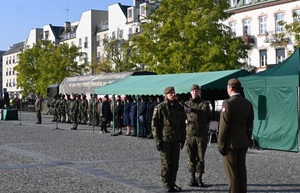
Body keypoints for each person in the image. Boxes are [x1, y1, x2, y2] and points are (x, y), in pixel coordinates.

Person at [217, 78, 254, 193]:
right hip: (243, 142)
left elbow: (224, 126)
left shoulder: (227, 103)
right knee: (241, 172)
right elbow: (249, 125)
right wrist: (248, 138)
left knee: (232, 174)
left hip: (230, 144)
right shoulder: (247, 103)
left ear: (230, 88)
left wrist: (220, 143)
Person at [152, 86, 186, 192]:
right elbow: (154, 125)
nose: (172, 95)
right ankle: (166, 183)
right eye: (170, 93)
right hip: (165, 139)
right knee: (166, 163)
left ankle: (173, 183)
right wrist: (157, 140)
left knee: (175, 163)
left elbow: (182, 124)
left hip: (176, 139)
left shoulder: (179, 107)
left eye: (173, 93)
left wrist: (183, 138)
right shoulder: (160, 107)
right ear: (166, 95)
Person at [184, 84, 211, 187]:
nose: (194, 93)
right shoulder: (186, 103)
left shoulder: (204, 103)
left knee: (200, 157)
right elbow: (181, 116)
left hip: (201, 135)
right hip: (190, 135)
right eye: (193, 91)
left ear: (199, 92)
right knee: (191, 157)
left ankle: (199, 178)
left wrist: (192, 110)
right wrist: (185, 120)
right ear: (190, 92)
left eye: (196, 91)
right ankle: (192, 178)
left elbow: (204, 113)